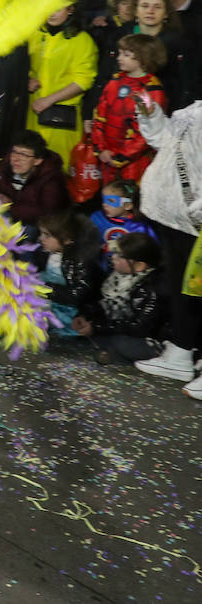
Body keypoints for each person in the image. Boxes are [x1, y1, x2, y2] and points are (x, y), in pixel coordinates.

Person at [132, 93, 202, 397]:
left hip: (194, 218)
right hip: (173, 214)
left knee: (197, 291)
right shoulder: (196, 108)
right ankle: (181, 352)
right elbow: (163, 139)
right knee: (182, 288)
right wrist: (150, 113)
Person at [74, 230, 166, 365]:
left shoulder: (152, 288)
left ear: (139, 265)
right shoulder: (119, 277)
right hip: (124, 329)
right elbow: (105, 304)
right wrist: (84, 315)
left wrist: (97, 327)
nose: (113, 257)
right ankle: (111, 352)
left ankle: (116, 357)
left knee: (120, 343)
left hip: (148, 339)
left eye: (120, 255)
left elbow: (139, 326)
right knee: (97, 333)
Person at [90, 33, 167, 186]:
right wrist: (100, 148)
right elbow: (100, 116)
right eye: (119, 53)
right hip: (107, 157)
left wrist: (122, 157)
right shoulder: (115, 81)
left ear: (142, 58)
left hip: (135, 162)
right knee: (110, 199)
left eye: (126, 55)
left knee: (131, 200)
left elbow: (148, 132)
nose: (119, 58)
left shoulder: (151, 90)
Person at [27, 4, 98, 166]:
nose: (51, 13)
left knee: (57, 168)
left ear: (71, 9)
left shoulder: (82, 39)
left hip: (61, 118)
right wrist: (27, 79)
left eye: (58, 8)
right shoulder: (35, 34)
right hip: (33, 114)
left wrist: (49, 100)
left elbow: (84, 80)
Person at [32, 211, 103, 338]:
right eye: (41, 233)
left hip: (70, 311)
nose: (41, 239)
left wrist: (43, 289)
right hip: (47, 300)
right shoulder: (44, 251)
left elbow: (77, 294)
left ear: (67, 240)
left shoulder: (80, 260)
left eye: (47, 235)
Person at [0, 130, 69, 240]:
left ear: (37, 161)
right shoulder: (6, 165)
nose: (16, 159)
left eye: (24, 155)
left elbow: (46, 213)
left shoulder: (51, 178)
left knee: (27, 231)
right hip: (11, 216)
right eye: (15, 152)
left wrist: (11, 207)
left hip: (38, 225)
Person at [89, 179, 157, 268]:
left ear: (128, 205)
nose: (104, 204)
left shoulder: (140, 227)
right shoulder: (96, 218)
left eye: (111, 201)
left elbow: (149, 253)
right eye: (103, 200)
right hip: (101, 269)